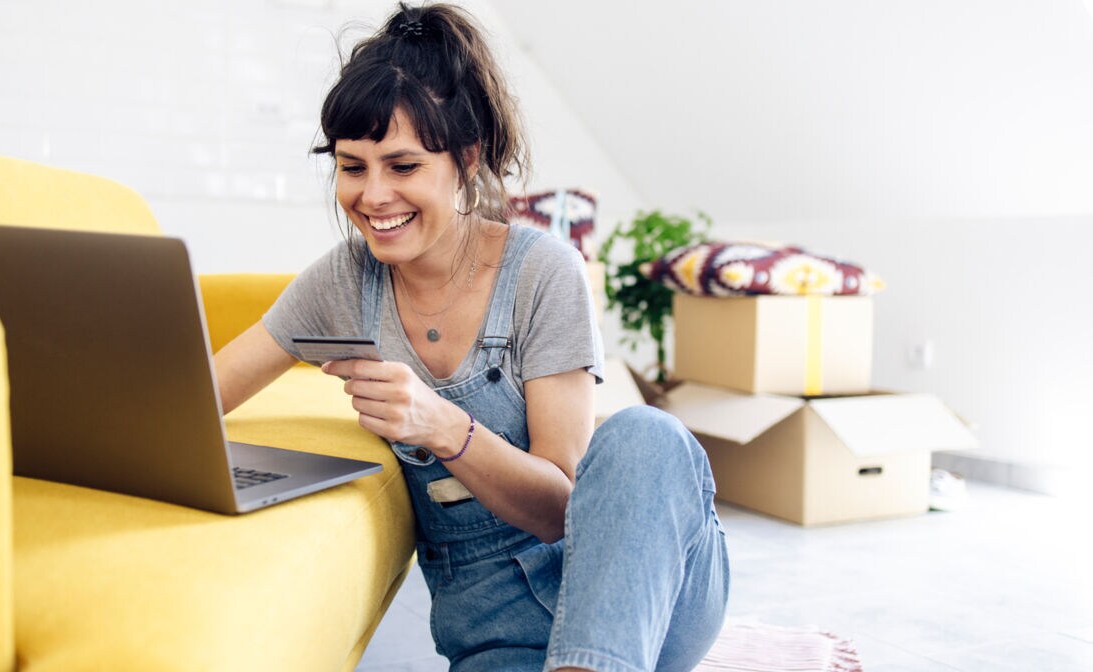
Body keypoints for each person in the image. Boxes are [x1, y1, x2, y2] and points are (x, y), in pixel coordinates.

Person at [214, 3, 729, 671]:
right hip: (496, 633)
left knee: (646, 437)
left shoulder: (544, 272)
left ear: (466, 158)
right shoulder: (344, 283)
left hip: (637, 602)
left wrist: (439, 424)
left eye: (402, 167)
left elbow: (558, 511)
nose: (372, 196)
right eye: (351, 166)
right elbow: (201, 395)